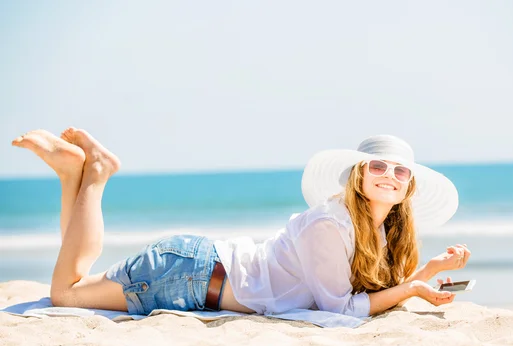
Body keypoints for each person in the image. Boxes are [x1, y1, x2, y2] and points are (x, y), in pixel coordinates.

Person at [11, 128, 470, 317]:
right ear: (358, 175)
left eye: (400, 171)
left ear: (409, 187)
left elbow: (362, 291)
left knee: (78, 278)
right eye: (378, 167)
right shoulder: (328, 224)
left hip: (194, 268)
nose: (389, 176)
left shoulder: (375, 229)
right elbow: (340, 308)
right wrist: (410, 290)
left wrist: (423, 275)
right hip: (185, 278)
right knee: (64, 294)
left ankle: (74, 174)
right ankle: (91, 175)